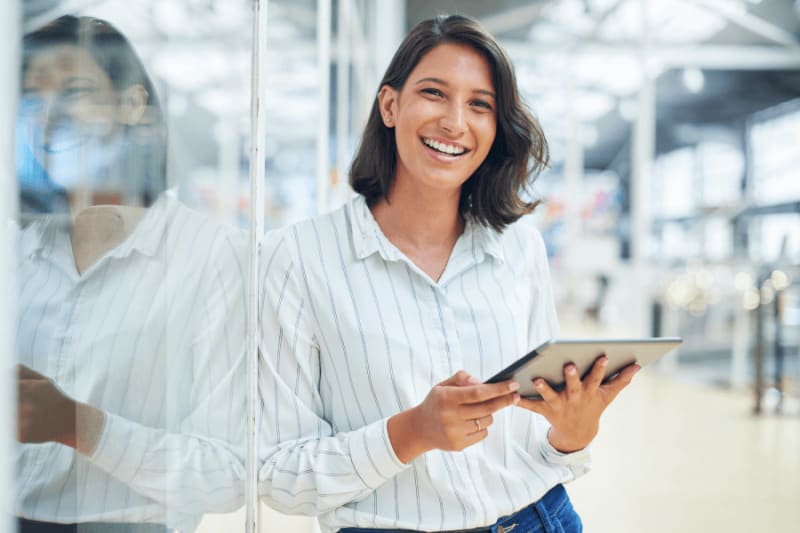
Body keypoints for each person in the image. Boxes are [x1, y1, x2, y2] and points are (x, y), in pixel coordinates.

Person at [258, 13, 640, 533]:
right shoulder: (295, 259)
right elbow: (279, 473)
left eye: (480, 104)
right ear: (390, 106)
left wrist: (573, 432)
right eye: (435, 93)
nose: (455, 122)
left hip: (538, 518)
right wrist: (411, 432)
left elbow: (538, 441)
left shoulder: (520, 248)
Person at [15, 15, 247, 532]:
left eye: (75, 91)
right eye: (32, 98)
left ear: (132, 104)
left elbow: (228, 472)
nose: (49, 117)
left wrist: (77, 424)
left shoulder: (211, 257)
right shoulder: (16, 249)